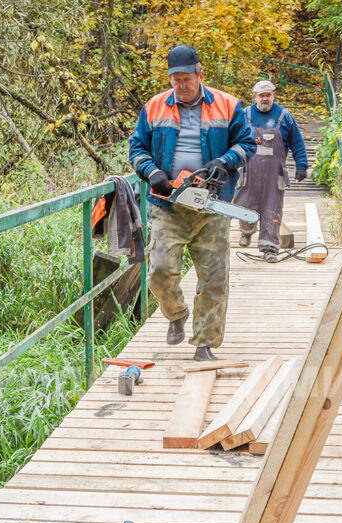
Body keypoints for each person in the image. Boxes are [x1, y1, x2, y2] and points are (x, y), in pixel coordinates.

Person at [129, 45, 256, 361]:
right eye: (176, 80)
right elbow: (136, 149)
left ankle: (204, 344)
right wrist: (152, 171)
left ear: (200, 75)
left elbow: (247, 143)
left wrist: (224, 162)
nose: (181, 86)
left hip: (211, 205)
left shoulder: (227, 105)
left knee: (213, 279)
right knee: (159, 271)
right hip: (167, 204)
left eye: (187, 79)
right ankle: (176, 314)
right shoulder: (155, 107)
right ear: (170, 79)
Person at [234, 80, 309, 262]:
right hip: (249, 172)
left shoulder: (285, 116)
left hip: (274, 174)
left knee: (271, 209)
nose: (265, 99)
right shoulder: (245, 115)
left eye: (268, 95)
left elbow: (297, 142)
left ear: (273, 95)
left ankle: (269, 248)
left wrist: (302, 165)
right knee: (243, 204)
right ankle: (246, 231)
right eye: (262, 96)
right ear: (255, 97)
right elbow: (232, 138)